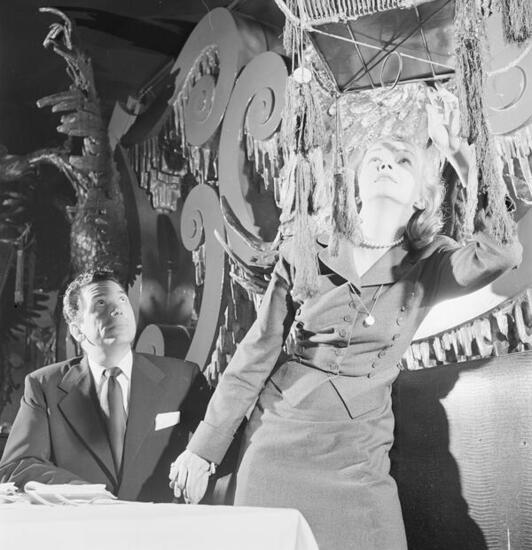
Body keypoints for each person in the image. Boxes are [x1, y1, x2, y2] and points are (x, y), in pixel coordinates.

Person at [169, 93, 523, 549]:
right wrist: (203, 450)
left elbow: (501, 253)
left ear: (422, 196)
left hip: (357, 454)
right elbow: (255, 354)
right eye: (375, 158)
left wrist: (463, 160)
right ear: (356, 183)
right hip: (278, 440)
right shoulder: (305, 249)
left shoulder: (431, 260)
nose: (386, 163)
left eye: (403, 160)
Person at [0, 270, 211, 502]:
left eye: (122, 299)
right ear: (77, 330)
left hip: (162, 520)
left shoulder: (183, 377)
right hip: (83, 518)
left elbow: (219, 443)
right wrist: (86, 493)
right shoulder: (44, 386)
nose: (118, 309)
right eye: (101, 303)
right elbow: (18, 465)